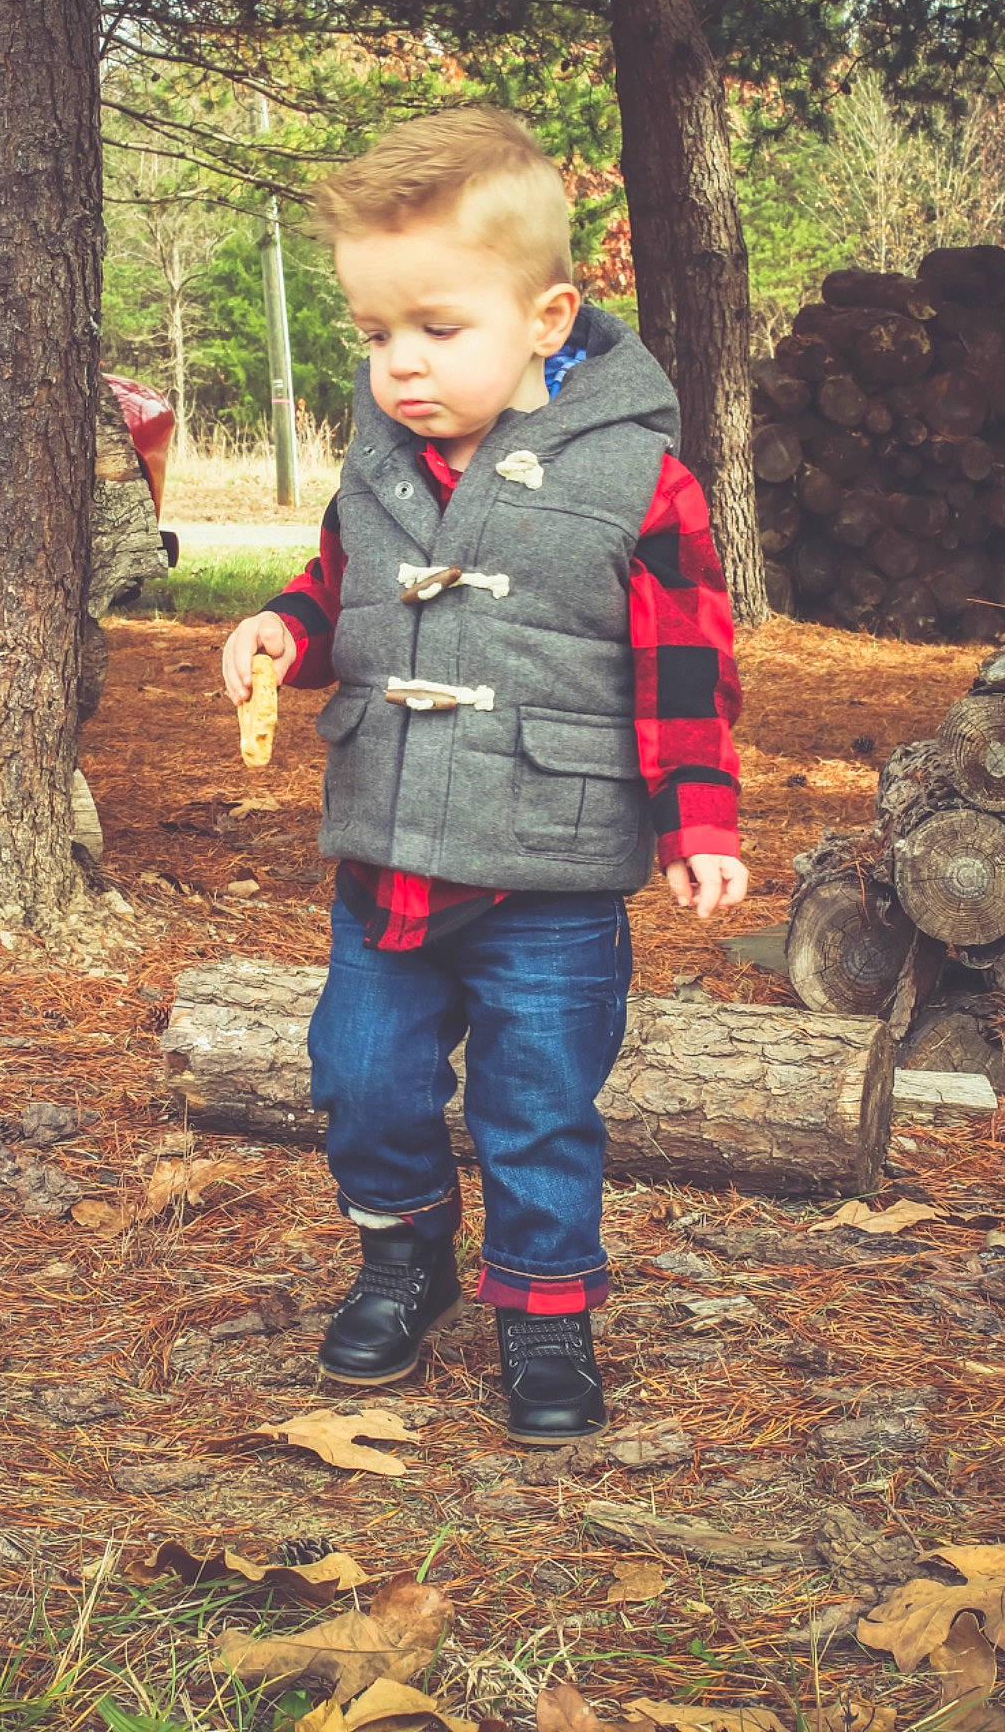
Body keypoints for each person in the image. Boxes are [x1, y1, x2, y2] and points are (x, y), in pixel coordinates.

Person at [222, 106, 746, 1445]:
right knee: (362, 1078)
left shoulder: (638, 476)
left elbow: (684, 659)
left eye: (435, 330)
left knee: (537, 1107)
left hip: (552, 876)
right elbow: (341, 591)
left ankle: (546, 1317)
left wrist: (696, 820)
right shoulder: (380, 463)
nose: (399, 366)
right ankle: (402, 1260)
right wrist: (286, 631)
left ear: (546, 315)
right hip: (385, 860)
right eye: (375, 335)